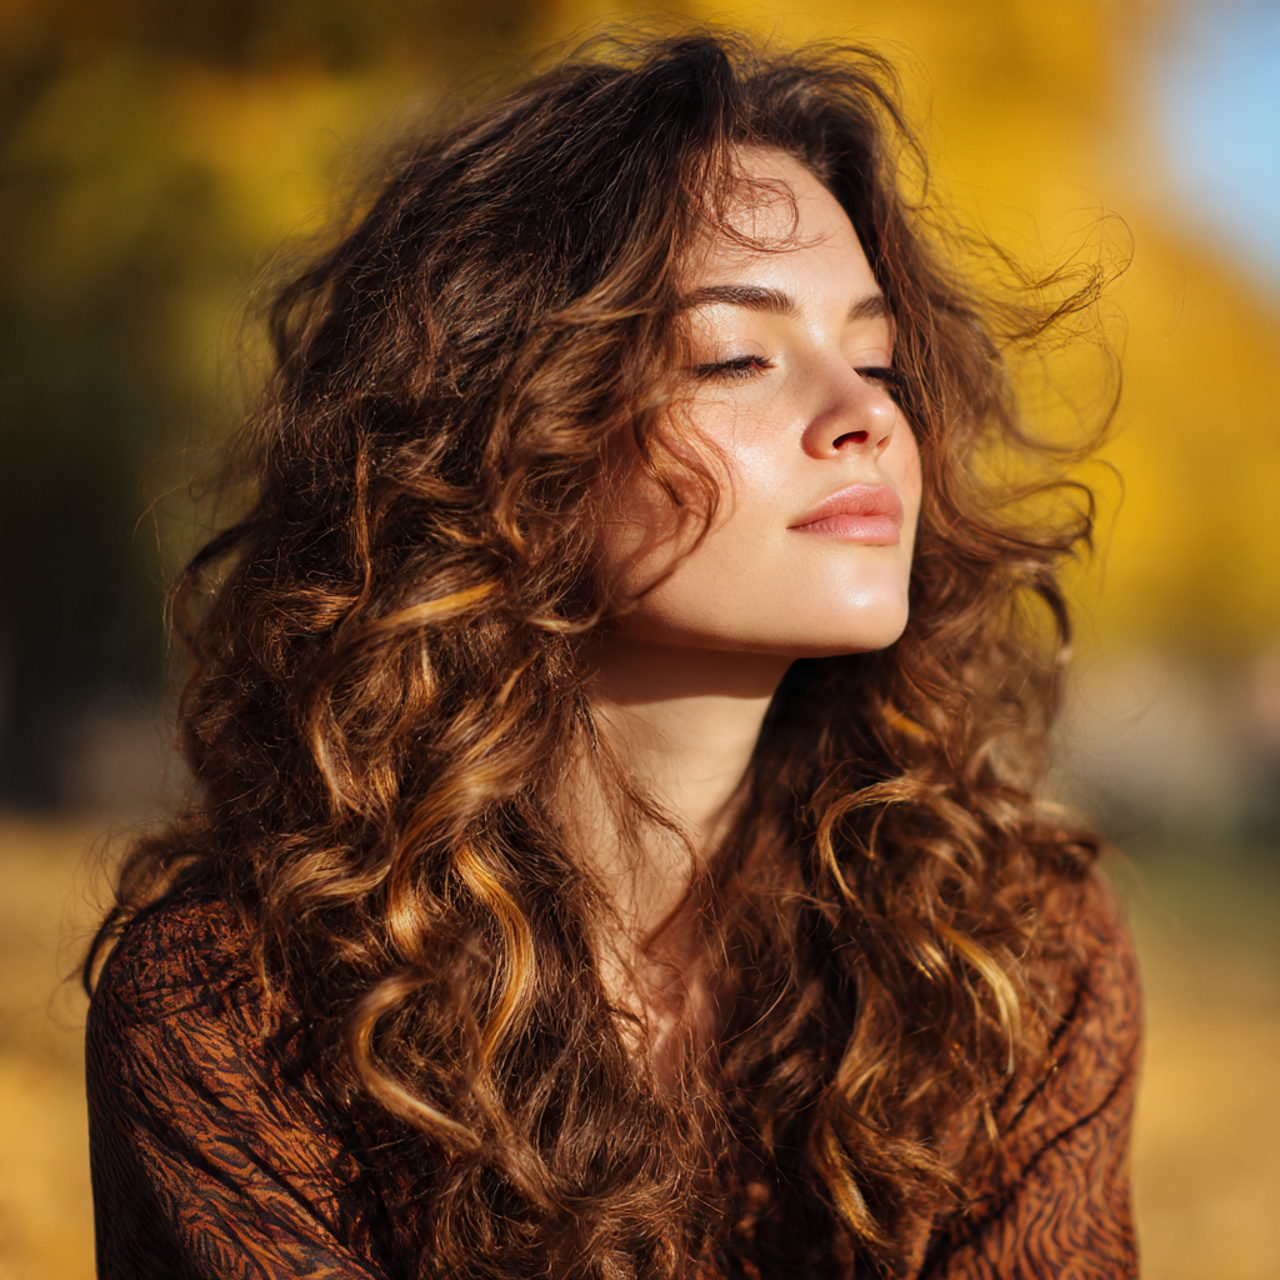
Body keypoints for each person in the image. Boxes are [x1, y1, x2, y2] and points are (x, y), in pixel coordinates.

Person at [83, 31, 1140, 1280]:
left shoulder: (1007, 957)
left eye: (875, 359)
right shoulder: (239, 1010)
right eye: (734, 356)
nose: (865, 416)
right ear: (502, 447)